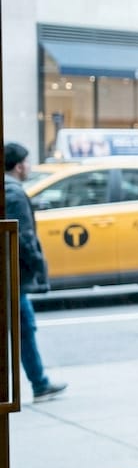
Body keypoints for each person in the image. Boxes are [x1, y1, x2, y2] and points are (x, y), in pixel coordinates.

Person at [4, 143, 68, 401]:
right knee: (24, 327)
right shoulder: (15, 194)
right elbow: (24, 238)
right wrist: (39, 267)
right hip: (13, 275)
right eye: (28, 163)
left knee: (24, 327)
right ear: (19, 166)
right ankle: (39, 384)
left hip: (10, 275)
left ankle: (39, 381)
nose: (29, 167)